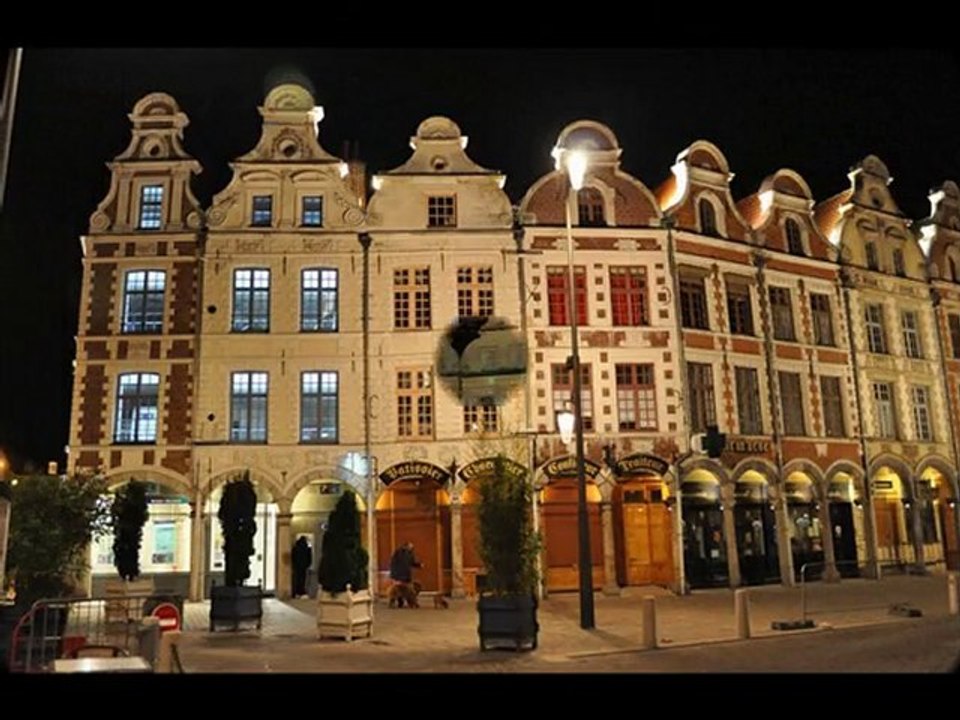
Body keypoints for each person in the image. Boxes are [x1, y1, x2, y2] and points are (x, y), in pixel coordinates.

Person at [388, 541, 421, 608]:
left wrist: (419, 565)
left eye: (412, 547)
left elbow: (412, 563)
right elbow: (393, 563)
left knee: (407, 590)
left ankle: (410, 602)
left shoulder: (410, 554)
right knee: (398, 589)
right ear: (406, 546)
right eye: (411, 547)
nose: (412, 548)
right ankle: (400, 602)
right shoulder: (398, 552)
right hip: (399, 574)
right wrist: (393, 574)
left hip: (406, 574)